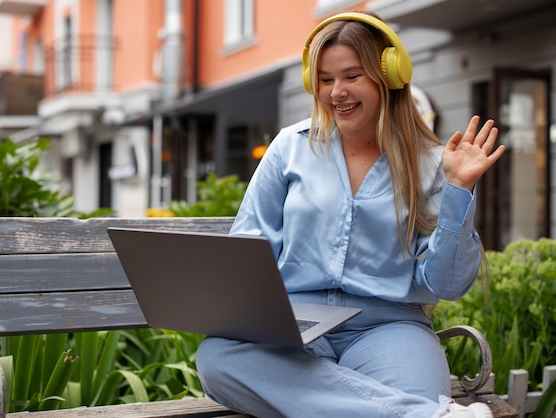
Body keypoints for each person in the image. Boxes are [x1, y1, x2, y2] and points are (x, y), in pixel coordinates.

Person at [196, 10, 505, 418]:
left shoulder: (435, 163)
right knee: (217, 358)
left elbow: (445, 284)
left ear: (389, 76)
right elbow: (249, 250)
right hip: (293, 324)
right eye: (325, 79)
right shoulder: (290, 146)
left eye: (352, 76)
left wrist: (458, 190)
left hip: (389, 329)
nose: (336, 92)